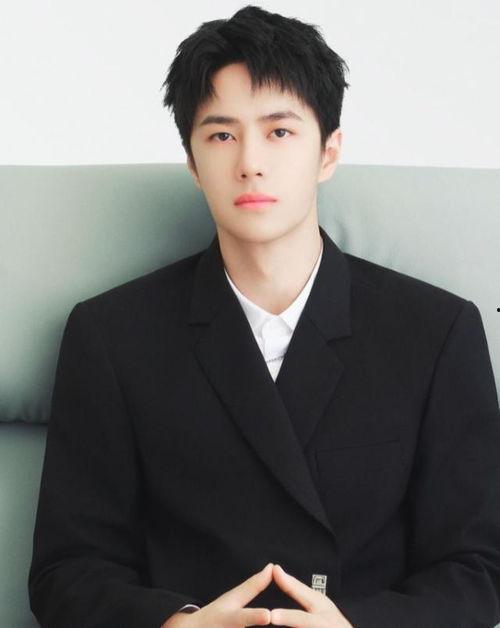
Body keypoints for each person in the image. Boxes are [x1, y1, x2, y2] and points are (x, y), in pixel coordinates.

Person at [28, 5, 500, 628]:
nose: (250, 161)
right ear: (193, 162)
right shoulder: (112, 336)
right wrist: (178, 623)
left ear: (328, 152)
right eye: (221, 135)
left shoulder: (435, 331)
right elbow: (68, 569)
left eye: (280, 132)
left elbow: (477, 570)